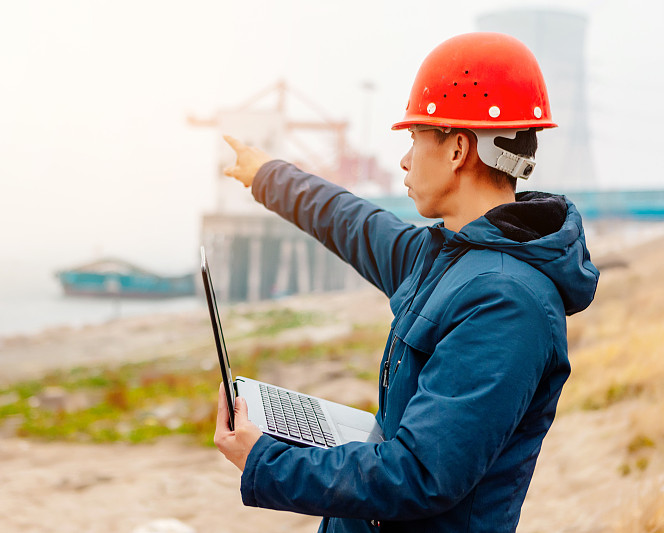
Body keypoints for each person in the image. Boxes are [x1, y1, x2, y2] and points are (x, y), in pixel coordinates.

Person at [213, 32, 599, 533]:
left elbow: (419, 474)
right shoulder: (446, 257)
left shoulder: (507, 303)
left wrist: (266, 462)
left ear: (458, 149)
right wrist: (268, 176)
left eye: (415, 137)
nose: (404, 159)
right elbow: (353, 223)